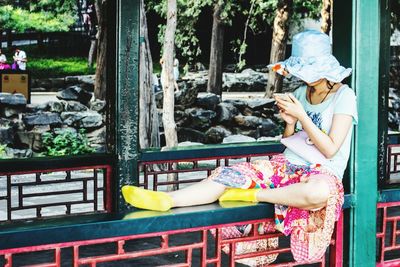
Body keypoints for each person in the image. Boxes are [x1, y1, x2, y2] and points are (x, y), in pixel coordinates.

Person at [122, 30, 357, 262]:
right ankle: (168, 199)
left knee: (319, 193)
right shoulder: (300, 92)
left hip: (322, 172)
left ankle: (254, 195)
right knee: (231, 175)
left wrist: (302, 116)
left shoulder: (344, 96)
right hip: (288, 164)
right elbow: (290, 140)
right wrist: (290, 122)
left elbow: (330, 149)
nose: (303, 78)